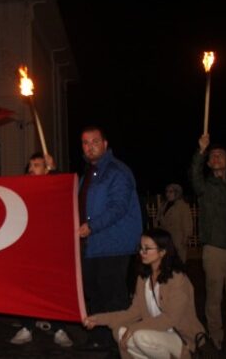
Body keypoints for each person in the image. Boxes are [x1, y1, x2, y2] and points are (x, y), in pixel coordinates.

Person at [84, 228, 204, 359]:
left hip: (179, 336)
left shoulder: (177, 279)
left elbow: (171, 319)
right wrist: (98, 319)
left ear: (162, 252)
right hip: (156, 332)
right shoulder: (143, 278)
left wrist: (134, 328)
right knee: (119, 331)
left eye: (147, 248)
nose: (142, 252)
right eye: (141, 248)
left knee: (140, 336)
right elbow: (134, 312)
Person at [77, 126, 142, 351]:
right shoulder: (88, 174)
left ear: (105, 144)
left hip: (113, 244)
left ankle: (120, 341)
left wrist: (91, 226)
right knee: (94, 292)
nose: (90, 146)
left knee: (113, 295)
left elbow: (118, 206)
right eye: (85, 143)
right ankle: (99, 337)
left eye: (95, 141)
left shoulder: (117, 171)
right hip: (92, 245)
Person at [10, 152, 73, 348]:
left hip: (51, 248)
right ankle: (27, 327)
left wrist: (54, 171)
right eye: (30, 165)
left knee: (53, 288)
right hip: (29, 248)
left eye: (36, 165)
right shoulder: (25, 189)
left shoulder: (53, 188)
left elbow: (65, 188)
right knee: (28, 287)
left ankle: (59, 328)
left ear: (46, 169)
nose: (31, 169)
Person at [190, 135, 226, 352]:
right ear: (209, 163)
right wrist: (201, 152)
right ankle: (216, 335)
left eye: (220, 155)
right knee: (214, 296)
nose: (217, 157)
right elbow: (194, 174)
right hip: (214, 249)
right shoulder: (205, 187)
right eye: (213, 156)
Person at [156, 184, 192, 262]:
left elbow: (187, 223)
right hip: (165, 239)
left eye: (171, 191)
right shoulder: (163, 205)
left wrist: (186, 238)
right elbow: (158, 220)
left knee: (178, 263)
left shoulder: (182, 205)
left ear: (177, 192)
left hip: (178, 239)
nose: (168, 194)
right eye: (166, 191)